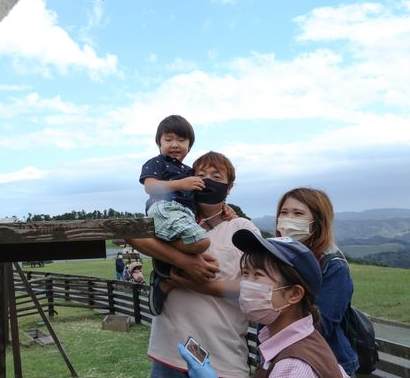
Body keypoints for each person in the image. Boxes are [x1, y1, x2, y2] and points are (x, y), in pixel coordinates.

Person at [130, 151, 261, 377]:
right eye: (201, 174)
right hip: (169, 353)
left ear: (229, 187)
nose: (207, 180)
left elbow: (253, 287)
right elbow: (131, 234)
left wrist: (193, 283)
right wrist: (185, 262)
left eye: (216, 176)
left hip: (223, 358)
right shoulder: (175, 220)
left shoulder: (243, 229)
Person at [177, 229, 350, 378]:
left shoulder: (293, 367)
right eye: (245, 273)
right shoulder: (298, 340)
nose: (245, 285)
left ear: (294, 294)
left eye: (258, 275)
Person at [275, 188, 359, 375]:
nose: (289, 218)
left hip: (325, 364)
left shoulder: (333, 266)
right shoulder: (276, 257)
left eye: (298, 213)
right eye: (284, 212)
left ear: (317, 222)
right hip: (283, 359)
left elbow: (320, 325)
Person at [139, 115, 208, 314]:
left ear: (190, 145)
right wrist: (180, 184)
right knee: (202, 244)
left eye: (181, 140)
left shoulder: (191, 171)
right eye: (168, 140)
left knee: (205, 258)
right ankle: (165, 272)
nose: (175, 144)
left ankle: (165, 280)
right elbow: (150, 187)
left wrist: (226, 208)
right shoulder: (157, 162)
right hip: (164, 208)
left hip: (184, 214)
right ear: (159, 143)